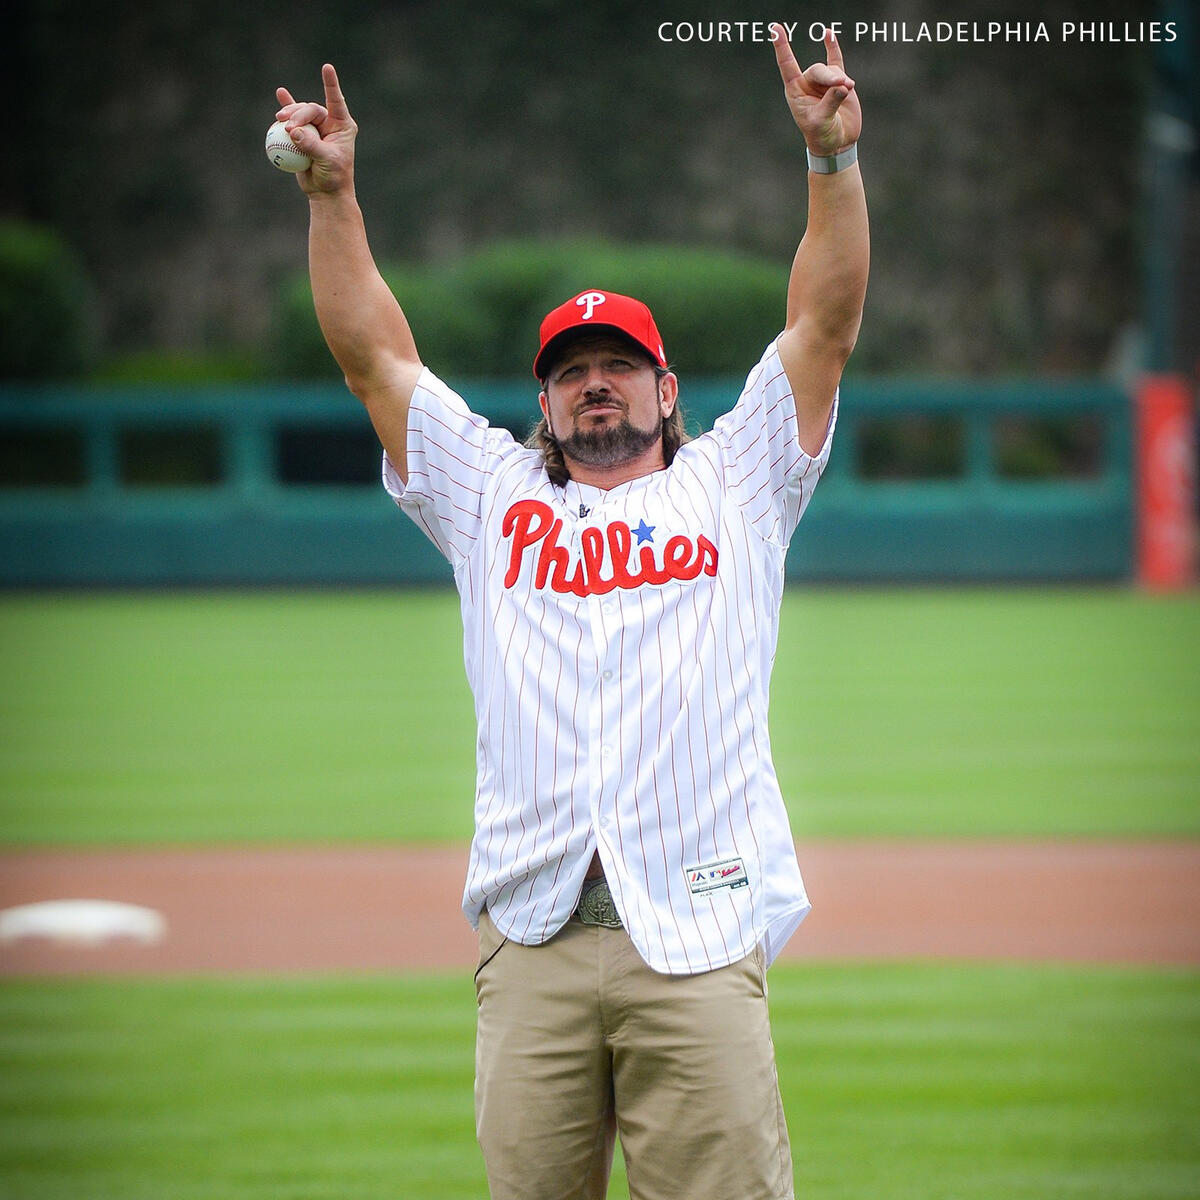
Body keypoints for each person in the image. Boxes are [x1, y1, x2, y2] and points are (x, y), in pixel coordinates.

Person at [274, 22, 867, 1200]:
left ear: (666, 388)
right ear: (544, 400)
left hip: (694, 941)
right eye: (569, 368)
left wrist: (833, 167)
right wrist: (333, 195)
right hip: (534, 938)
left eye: (619, 362)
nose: (595, 381)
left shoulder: (738, 479)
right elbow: (375, 361)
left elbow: (823, 326)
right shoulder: (490, 494)